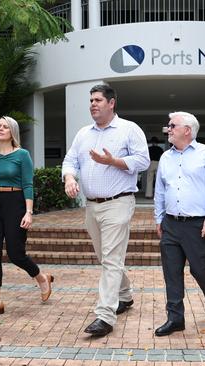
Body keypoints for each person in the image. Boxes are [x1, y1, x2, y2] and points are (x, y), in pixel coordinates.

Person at [62, 84, 150, 337]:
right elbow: (70, 160)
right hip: (91, 206)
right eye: (91, 100)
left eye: (98, 100)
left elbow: (143, 161)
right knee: (106, 257)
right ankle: (124, 295)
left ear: (111, 103)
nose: (93, 104)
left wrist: (113, 161)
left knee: (111, 259)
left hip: (119, 203)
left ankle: (105, 316)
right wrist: (69, 178)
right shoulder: (83, 134)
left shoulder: (129, 129)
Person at [153, 111, 205, 336]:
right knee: (171, 273)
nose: (168, 129)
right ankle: (175, 318)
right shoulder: (165, 157)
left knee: (199, 269)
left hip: (197, 225)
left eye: (172, 125)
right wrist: (159, 218)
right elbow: (160, 190)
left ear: (188, 130)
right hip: (171, 223)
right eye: (168, 126)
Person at [0, 116, 54, 320]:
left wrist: (28, 212)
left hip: (16, 203)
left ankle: (41, 278)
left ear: (13, 131)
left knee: (16, 253)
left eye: (5, 126)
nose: (1, 129)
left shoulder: (22, 155)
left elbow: (28, 184)